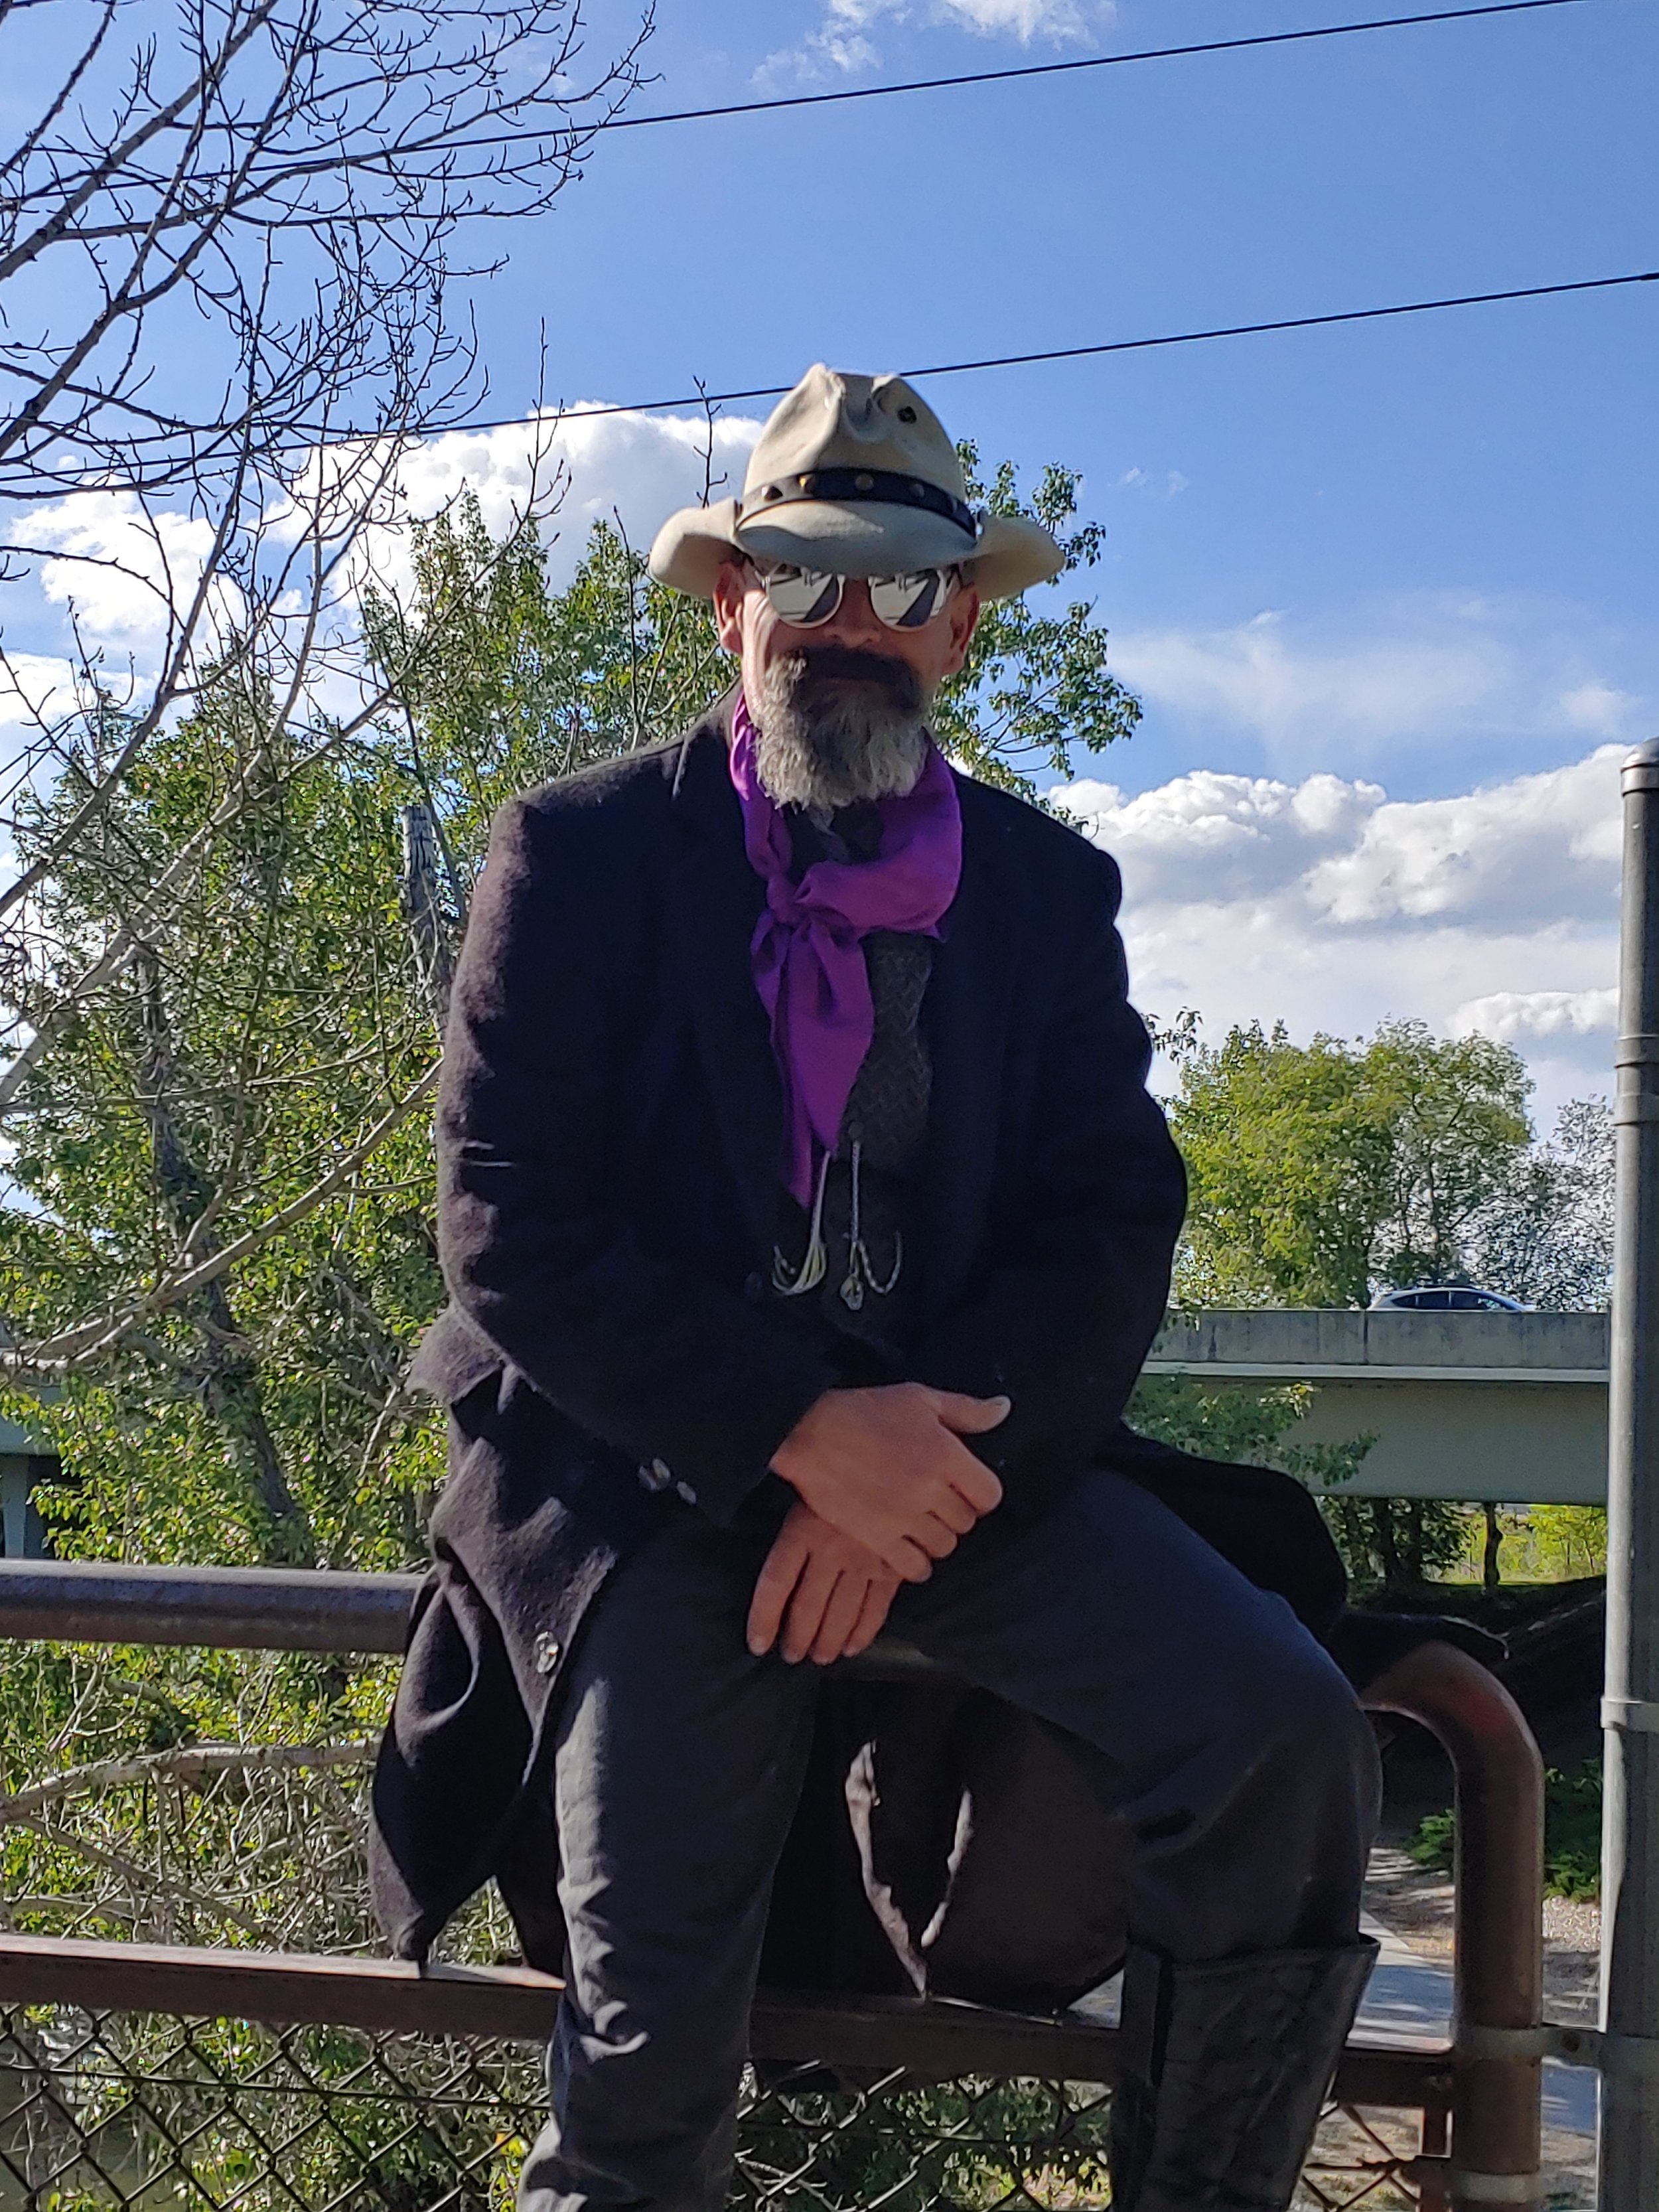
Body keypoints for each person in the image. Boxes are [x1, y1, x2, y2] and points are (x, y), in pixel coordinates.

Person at [370, 365, 1384, 2212]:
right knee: (647, 2015)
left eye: (903, 589)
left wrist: (919, 1469)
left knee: (1278, 1733)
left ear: (965, 625)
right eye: (811, 577)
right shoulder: (580, 853)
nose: (855, 626)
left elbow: (1107, 1216)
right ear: (725, 598)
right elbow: (510, 1222)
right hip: (652, 1476)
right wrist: (790, 1436)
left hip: (962, 1456)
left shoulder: (1041, 891)